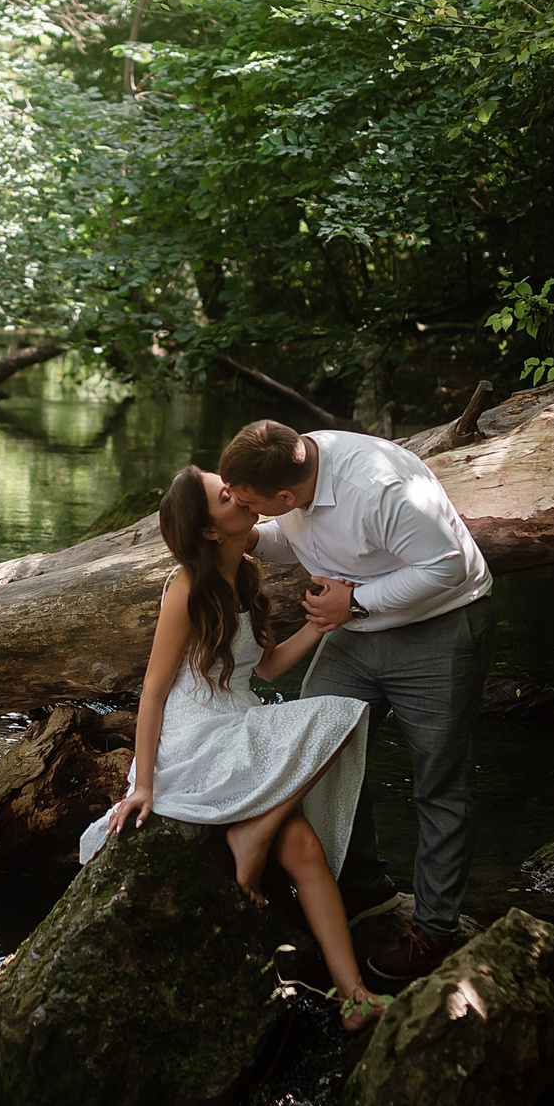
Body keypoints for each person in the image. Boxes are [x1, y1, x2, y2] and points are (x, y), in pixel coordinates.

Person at [80, 464, 389, 1029]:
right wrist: (142, 783)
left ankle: (354, 997)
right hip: (198, 735)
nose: (240, 494)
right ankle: (253, 832)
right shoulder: (187, 588)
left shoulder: (247, 575)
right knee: (339, 714)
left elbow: (266, 667)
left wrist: (320, 626)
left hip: (241, 719)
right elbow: (152, 692)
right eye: (225, 496)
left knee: (305, 852)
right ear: (209, 530)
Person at [218, 419, 492, 982]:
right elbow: (296, 536)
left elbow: (448, 566)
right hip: (352, 633)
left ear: (286, 494)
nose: (246, 509)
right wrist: (251, 539)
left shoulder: (380, 488)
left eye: (252, 505)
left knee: (438, 780)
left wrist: (358, 602)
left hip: (438, 627)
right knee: (315, 755)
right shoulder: (294, 469)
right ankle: (366, 888)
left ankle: (435, 930)